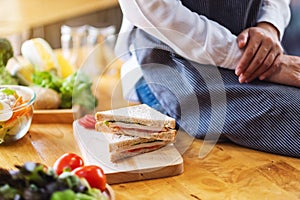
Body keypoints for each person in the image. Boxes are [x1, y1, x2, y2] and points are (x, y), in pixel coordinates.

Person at [115, 1, 300, 158]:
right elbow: (152, 7)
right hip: (173, 61)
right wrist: (264, 63)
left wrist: (269, 26)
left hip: (255, 49)